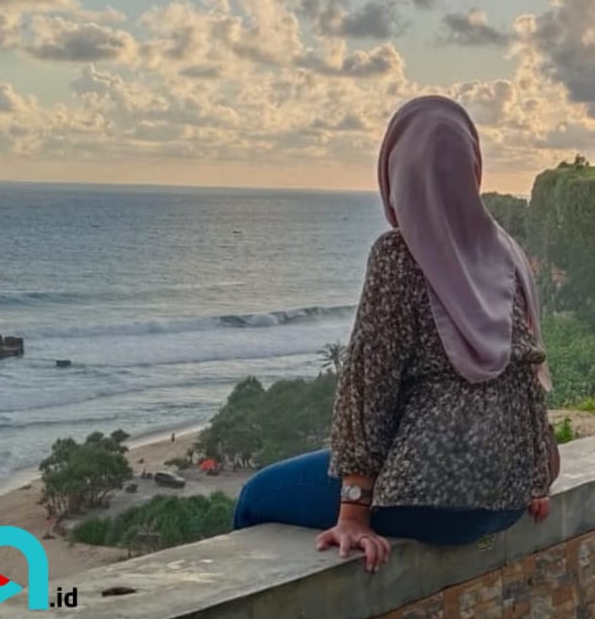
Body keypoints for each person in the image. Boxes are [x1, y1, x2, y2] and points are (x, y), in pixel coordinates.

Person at [232, 95, 561, 573]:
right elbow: (524, 371)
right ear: (473, 169)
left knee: (256, 495)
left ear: (395, 174)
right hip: (509, 498)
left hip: (429, 499)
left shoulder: (398, 255)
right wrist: (535, 476)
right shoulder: (504, 251)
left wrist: (352, 515)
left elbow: (369, 387)